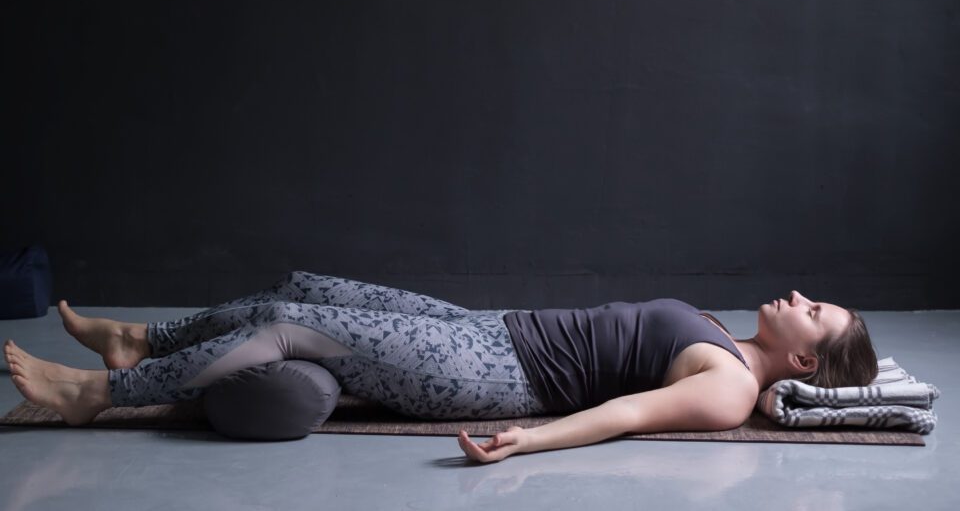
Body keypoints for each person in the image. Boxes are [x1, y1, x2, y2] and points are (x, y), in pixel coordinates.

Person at [2, 271, 877, 463]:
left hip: (496, 370)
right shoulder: (726, 337)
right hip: (490, 327)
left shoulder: (730, 389)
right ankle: (143, 342)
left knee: (293, 323)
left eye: (816, 311)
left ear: (802, 355)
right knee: (309, 283)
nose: (802, 295)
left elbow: (625, 417)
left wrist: (524, 441)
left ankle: (101, 394)